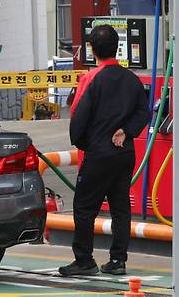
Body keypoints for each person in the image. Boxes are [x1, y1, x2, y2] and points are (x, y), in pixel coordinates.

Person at [58, 25, 150, 277]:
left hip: (98, 155)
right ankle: (118, 260)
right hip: (124, 154)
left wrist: (82, 143)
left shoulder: (90, 79)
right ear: (117, 48)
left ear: (91, 49)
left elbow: (78, 118)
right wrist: (127, 131)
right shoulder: (132, 79)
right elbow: (144, 111)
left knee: (85, 207)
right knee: (121, 207)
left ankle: (84, 260)